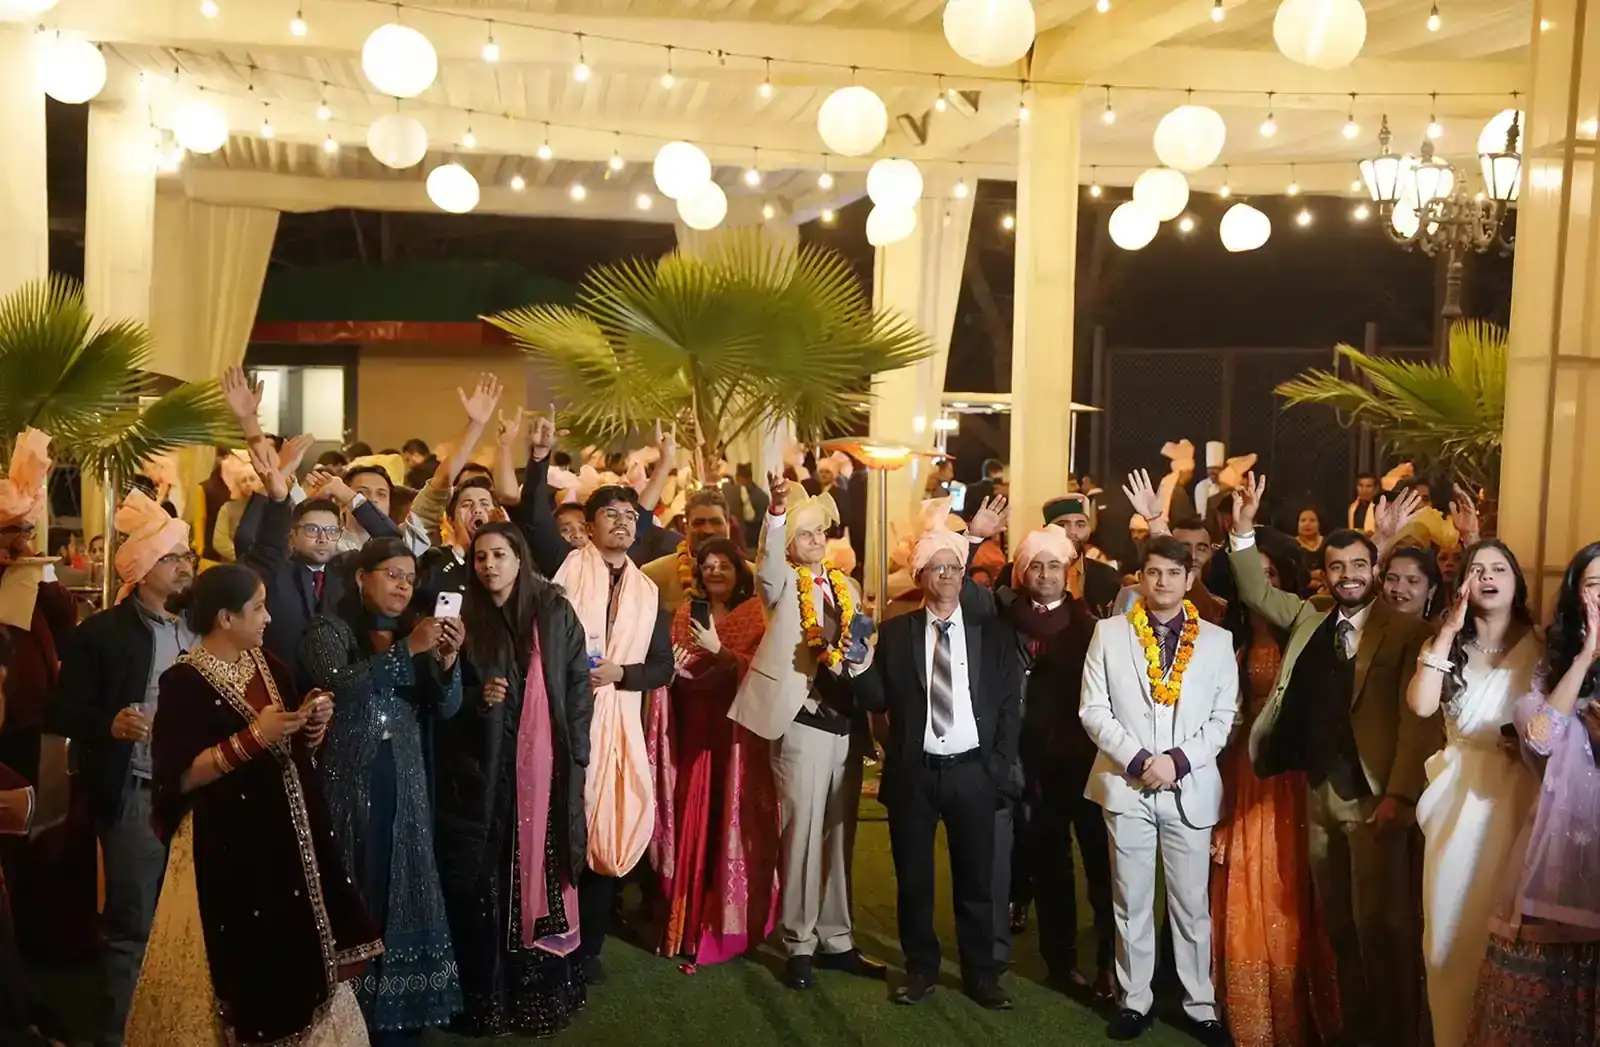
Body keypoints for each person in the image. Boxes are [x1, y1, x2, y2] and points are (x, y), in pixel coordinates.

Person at [124, 564, 378, 1046]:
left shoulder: (268, 665)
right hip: (225, 844)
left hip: (287, 836)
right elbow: (180, 773)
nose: (267, 617)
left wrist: (311, 721)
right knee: (242, 959)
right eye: (258, 607)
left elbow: (294, 750)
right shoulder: (185, 682)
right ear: (225, 617)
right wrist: (252, 738)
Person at [1229, 473, 1438, 1047]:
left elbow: (1416, 723)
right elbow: (1256, 593)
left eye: (1358, 566)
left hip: (1376, 801)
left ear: (1375, 571)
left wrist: (1398, 797)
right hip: (1319, 794)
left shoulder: (1405, 630)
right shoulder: (1311, 615)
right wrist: (1243, 531)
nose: (1348, 576)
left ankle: (1393, 1035)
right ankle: (1355, 1032)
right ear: (1325, 573)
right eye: (1337, 567)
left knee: (1383, 931)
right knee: (1341, 928)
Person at [512, 416, 674, 984]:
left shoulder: (650, 593)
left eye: (632, 517)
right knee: (563, 827)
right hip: (562, 718)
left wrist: (620, 672)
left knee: (610, 828)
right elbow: (533, 516)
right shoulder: (564, 568)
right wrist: (538, 459)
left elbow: (661, 669)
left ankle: (591, 949)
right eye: (613, 515)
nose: (625, 524)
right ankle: (550, 936)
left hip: (621, 725)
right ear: (589, 524)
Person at [852, 509, 1022, 1011]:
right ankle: (921, 968)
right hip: (915, 774)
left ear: (964, 576)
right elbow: (876, 697)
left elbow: (1011, 706)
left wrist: (996, 766)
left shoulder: (991, 632)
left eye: (954, 568)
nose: (946, 576)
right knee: (915, 880)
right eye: (936, 568)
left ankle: (981, 974)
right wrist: (857, 662)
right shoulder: (897, 631)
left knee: (976, 879)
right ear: (920, 576)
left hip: (973, 771)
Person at [45, 489, 197, 1047]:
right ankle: (121, 1035)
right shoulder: (102, 634)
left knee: (188, 925)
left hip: (198, 790)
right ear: (142, 568)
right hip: (137, 793)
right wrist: (109, 723)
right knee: (133, 925)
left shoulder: (200, 627)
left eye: (186, 557)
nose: (184, 566)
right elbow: (59, 709)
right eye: (172, 558)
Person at [299, 538, 464, 1044]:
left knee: (403, 877)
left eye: (409, 579)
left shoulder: (410, 633)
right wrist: (406, 652)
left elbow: (447, 707)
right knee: (356, 877)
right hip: (350, 779)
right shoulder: (327, 629)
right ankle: (347, 1016)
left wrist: (448, 663)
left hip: (405, 775)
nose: (402, 586)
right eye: (392, 574)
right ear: (361, 577)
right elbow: (337, 684)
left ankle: (400, 1013)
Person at [726, 475, 886, 991]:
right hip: (800, 721)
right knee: (801, 832)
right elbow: (768, 564)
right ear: (790, 544)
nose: (816, 541)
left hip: (845, 723)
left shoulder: (849, 587)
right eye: (805, 535)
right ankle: (798, 941)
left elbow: (857, 652)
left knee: (841, 833)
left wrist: (861, 659)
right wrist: (775, 514)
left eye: (820, 533)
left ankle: (836, 938)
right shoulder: (780, 584)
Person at [1079, 535, 1240, 1045]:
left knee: (1192, 904)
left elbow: (1224, 719)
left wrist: (1177, 761)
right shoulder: (1108, 633)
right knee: (1130, 899)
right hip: (1126, 785)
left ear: (1189, 580)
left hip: (1188, 786)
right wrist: (1139, 759)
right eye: (1153, 572)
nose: (1163, 582)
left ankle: (1199, 1005)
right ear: (1140, 578)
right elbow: (1093, 710)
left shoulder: (1215, 641)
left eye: (1173, 573)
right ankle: (1135, 999)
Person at [435, 522, 592, 1038]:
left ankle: (539, 996)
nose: (489, 566)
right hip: (485, 774)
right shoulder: (464, 617)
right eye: (480, 558)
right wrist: (481, 703)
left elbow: (576, 689)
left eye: (499, 555)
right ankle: (489, 1000)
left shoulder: (553, 610)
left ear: (519, 558)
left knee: (543, 870)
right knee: (491, 878)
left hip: (548, 773)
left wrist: (578, 757)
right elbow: (443, 702)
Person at [1208, 528, 1341, 1047]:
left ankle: (1304, 1007)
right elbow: (1187, 591)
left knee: (1291, 878)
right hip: (1244, 770)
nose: (1258, 582)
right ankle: (1250, 1014)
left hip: (1293, 770)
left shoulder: (1307, 625)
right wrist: (1156, 525)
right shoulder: (1228, 630)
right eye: (1251, 572)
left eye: (1269, 574)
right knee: (1246, 875)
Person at [1405, 540, 1541, 1047]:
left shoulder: (1544, 644)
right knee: (1446, 939)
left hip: (1522, 804)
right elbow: (1420, 706)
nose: (1487, 576)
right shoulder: (1447, 644)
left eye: (1499, 567)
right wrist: (1446, 631)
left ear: (1516, 581)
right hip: (1455, 805)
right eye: (1475, 568)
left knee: (1508, 940)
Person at [1465, 543, 1600, 1044]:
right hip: (1566, 845)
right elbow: (1542, 736)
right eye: (1593, 585)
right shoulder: (1554, 671)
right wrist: (1586, 658)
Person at [658, 537, 779, 965]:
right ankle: (685, 921)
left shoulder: (755, 616)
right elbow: (671, 670)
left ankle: (730, 922)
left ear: (739, 570)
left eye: (723, 564)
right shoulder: (686, 614)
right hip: (694, 731)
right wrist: (671, 673)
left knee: (732, 818)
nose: (714, 571)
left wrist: (719, 652)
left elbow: (761, 672)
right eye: (706, 565)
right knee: (693, 811)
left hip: (737, 734)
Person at [642, 489, 751, 613]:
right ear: (685, 528)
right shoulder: (653, 575)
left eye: (716, 522)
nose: (708, 530)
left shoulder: (753, 577)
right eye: (698, 523)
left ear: (728, 526)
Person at [1382, 545, 1444, 621]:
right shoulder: (1365, 628)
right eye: (1391, 579)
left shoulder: (1442, 632)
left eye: (1412, 581)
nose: (1399, 589)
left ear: (1431, 590)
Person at [721, 463, 769, 551]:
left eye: (739, 479)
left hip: (752, 542)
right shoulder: (759, 494)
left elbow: (754, 519)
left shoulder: (758, 496)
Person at [1193, 441, 1225, 512]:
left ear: (1222, 469)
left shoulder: (1225, 486)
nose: (1212, 471)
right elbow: (1202, 513)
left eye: (1215, 468)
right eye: (1210, 468)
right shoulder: (1201, 486)